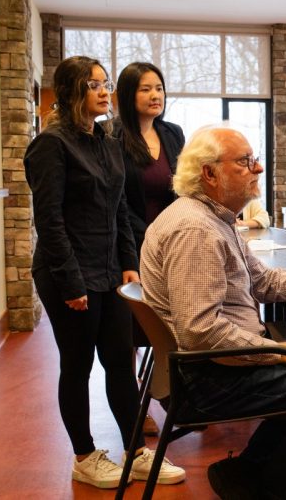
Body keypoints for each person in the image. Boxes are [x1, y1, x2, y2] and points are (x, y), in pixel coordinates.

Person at [140, 125, 286, 499]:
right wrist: (274, 351)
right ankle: (273, 491)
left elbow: (262, 282)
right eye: (245, 161)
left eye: (254, 159)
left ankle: (249, 474)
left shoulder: (214, 218)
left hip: (206, 365)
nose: (258, 169)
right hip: (204, 377)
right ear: (210, 173)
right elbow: (200, 331)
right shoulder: (196, 230)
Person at [24, 56, 184, 489]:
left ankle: (136, 452)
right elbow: (50, 222)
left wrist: (130, 264)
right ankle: (83, 455)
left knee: (118, 361)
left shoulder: (106, 141)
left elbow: (118, 211)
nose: (102, 90)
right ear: (70, 91)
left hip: (112, 270)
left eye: (104, 82)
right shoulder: (52, 144)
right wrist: (71, 281)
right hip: (69, 274)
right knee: (76, 366)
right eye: (92, 83)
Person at [114, 61, 185, 436]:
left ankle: (178, 396)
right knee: (133, 331)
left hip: (173, 247)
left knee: (174, 324)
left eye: (158, 87)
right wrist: (149, 236)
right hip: (131, 243)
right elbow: (116, 201)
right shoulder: (112, 137)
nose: (155, 94)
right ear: (128, 94)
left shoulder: (172, 134)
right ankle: (135, 409)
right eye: (145, 88)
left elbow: (186, 186)